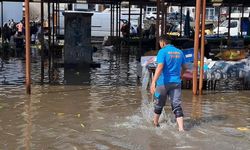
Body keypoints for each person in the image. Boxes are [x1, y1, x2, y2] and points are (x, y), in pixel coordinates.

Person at [150, 35, 188, 131]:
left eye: (160, 43)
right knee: (176, 105)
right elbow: (185, 67)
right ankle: (181, 128)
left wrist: (153, 81)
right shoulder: (180, 52)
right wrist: (180, 76)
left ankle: (155, 124)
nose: (159, 45)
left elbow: (160, 66)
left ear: (163, 42)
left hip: (163, 83)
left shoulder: (162, 52)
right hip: (176, 83)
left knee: (159, 104)